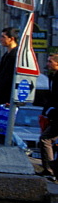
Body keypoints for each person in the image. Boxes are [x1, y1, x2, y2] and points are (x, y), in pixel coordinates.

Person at [37, 53, 58, 181]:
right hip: (53, 114)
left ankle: (50, 170)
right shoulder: (53, 77)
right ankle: (50, 169)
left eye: (50, 62)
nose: (47, 64)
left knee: (45, 139)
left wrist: (52, 111)